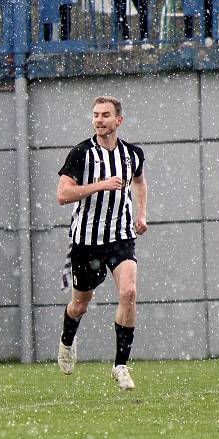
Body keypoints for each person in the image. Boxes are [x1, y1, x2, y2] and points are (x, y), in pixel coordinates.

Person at [55, 96, 148, 391]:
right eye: (95, 115)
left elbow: (140, 182)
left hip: (120, 237)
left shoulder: (132, 154)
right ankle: (67, 340)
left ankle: (120, 365)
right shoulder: (82, 153)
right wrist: (100, 185)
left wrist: (141, 215)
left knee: (129, 291)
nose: (98, 119)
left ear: (118, 120)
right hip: (86, 241)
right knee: (80, 304)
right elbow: (62, 195)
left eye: (105, 115)